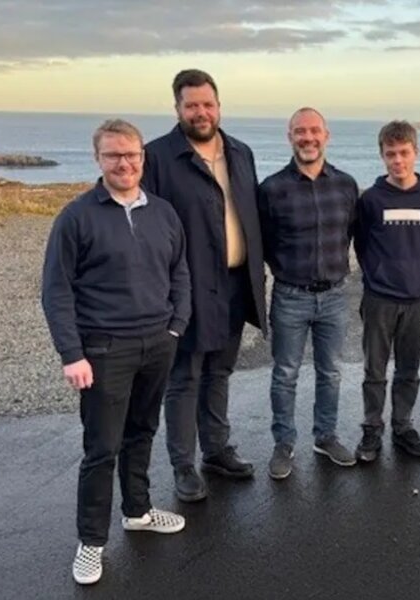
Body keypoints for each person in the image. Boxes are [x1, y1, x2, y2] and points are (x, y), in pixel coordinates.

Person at [42, 119, 191, 585]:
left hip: (158, 344)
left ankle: (138, 511)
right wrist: (72, 353)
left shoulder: (163, 212)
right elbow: (56, 291)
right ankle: (91, 542)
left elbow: (179, 272)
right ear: (98, 159)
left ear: (143, 157)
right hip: (104, 350)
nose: (124, 163)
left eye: (131, 154)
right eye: (113, 155)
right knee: (102, 449)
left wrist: (176, 326)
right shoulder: (76, 217)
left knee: (142, 431)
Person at [142, 69, 267, 502]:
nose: (201, 112)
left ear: (219, 106)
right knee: (184, 377)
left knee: (219, 371)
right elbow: (147, 230)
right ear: (177, 108)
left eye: (207, 104)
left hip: (235, 284)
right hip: (186, 289)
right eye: (191, 105)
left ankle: (215, 450)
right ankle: (183, 465)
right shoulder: (157, 157)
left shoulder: (241, 153)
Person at [258, 107, 359, 479]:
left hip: (334, 296)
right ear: (290, 137)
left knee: (330, 372)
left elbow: (349, 232)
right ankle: (283, 443)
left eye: (315, 130)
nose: (308, 137)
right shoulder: (271, 188)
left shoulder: (346, 185)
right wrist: (287, 270)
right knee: (285, 373)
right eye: (300, 131)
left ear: (326, 136)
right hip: (290, 296)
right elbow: (264, 241)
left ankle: (325, 436)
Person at [353, 120, 420, 462]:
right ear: (382, 155)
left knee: (409, 368)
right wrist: (378, 275)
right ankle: (372, 428)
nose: (398, 160)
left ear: (416, 152)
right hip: (379, 298)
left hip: (416, 298)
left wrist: (416, 274)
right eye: (390, 154)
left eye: (404, 153)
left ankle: (403, 425)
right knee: (374, 370)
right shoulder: (371, 199)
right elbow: (362, 244)